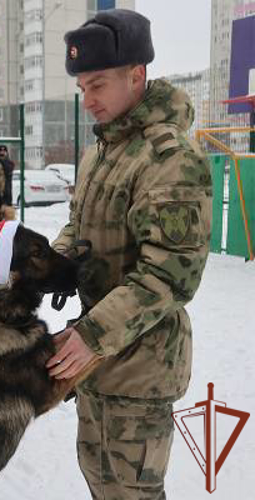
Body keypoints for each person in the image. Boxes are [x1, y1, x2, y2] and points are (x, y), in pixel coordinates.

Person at [49, 9, 212, 500]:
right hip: (96, 358)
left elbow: (171, 274)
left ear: (136, 76)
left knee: (132, 492)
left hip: (141, 367)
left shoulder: (170, 159)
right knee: (99, 479)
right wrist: (45, 268)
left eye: (97, 85)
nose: (88, 101)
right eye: (82, 88)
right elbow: (79, 228)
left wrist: (93, 335)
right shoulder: (102, 152)